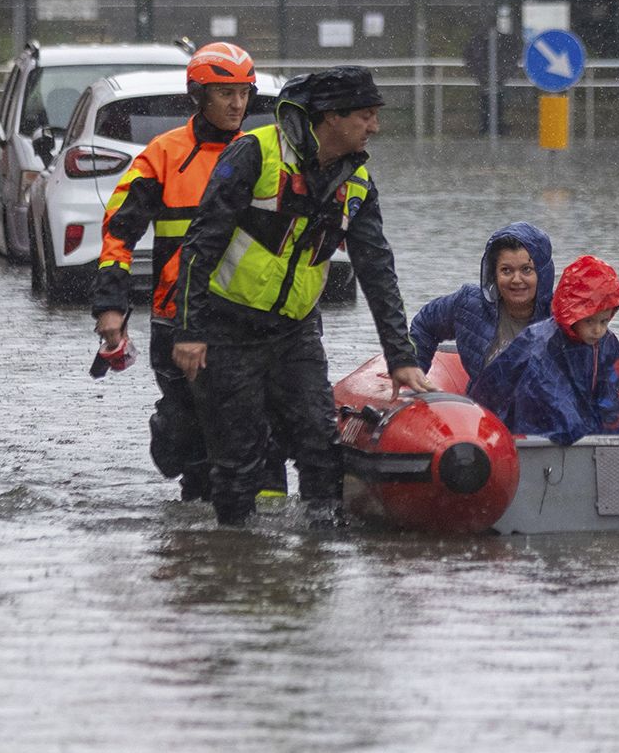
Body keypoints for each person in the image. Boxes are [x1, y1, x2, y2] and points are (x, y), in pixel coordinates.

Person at [173, 66, 434, 526]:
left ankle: (323, 547)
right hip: (227, 327)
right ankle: (233, 554)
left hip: (296, 332)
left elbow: (377, 270)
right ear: (331, 117)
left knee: (320, 441)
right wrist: (190, 331)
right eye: (367, 115)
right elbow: (200, 245)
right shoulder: (255, 153)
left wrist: (401, 357)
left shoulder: (357, 182)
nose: (375, 126)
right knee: (238, 458)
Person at [92, 42, 267, 503]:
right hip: (176, 316)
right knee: (188, 438)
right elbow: (118, 231)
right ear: (198, 96)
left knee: (248, 435)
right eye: (224, 93)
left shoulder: (266, 154)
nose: (236, 104)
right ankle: (196, 525)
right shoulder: (163, 155)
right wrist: (112, 306)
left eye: (244, 93)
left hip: (246, 315)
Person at [468, 255, 619, 445]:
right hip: (513, 423)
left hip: (578, 418)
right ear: (572, 314)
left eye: (604, 321)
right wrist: (580, 434)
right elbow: (548, 397)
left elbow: (618, 390)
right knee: (562, 422)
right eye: (589, 321)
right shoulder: (543, 344)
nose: (598, 330)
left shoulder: (605, 342)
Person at [407, 222, 555, 382]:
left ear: (542, 273)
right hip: (479, 405)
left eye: (526, 270)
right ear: (494, 274)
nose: (516, 280)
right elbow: (425, 323)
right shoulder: (470, 304)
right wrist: (415, 371)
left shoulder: (559, 316)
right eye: (506, 270)